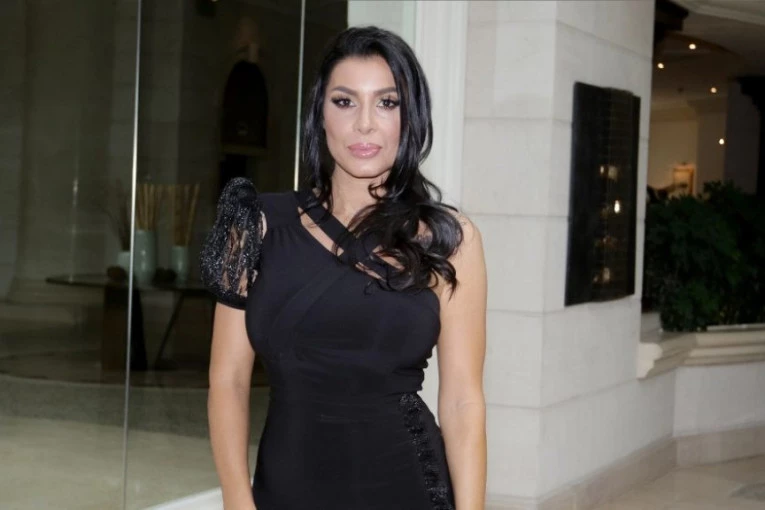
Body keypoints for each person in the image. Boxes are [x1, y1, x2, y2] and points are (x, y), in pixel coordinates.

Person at [201, 26, 487, 510]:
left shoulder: (449, 239)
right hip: (286, 489)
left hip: (408, 487)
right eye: (345, 101)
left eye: (387, 103)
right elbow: (227, 380)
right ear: (320, 113)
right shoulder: (256, 224)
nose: (365, 124)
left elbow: (463, 400)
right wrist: (236, 499)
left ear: (410, 117)